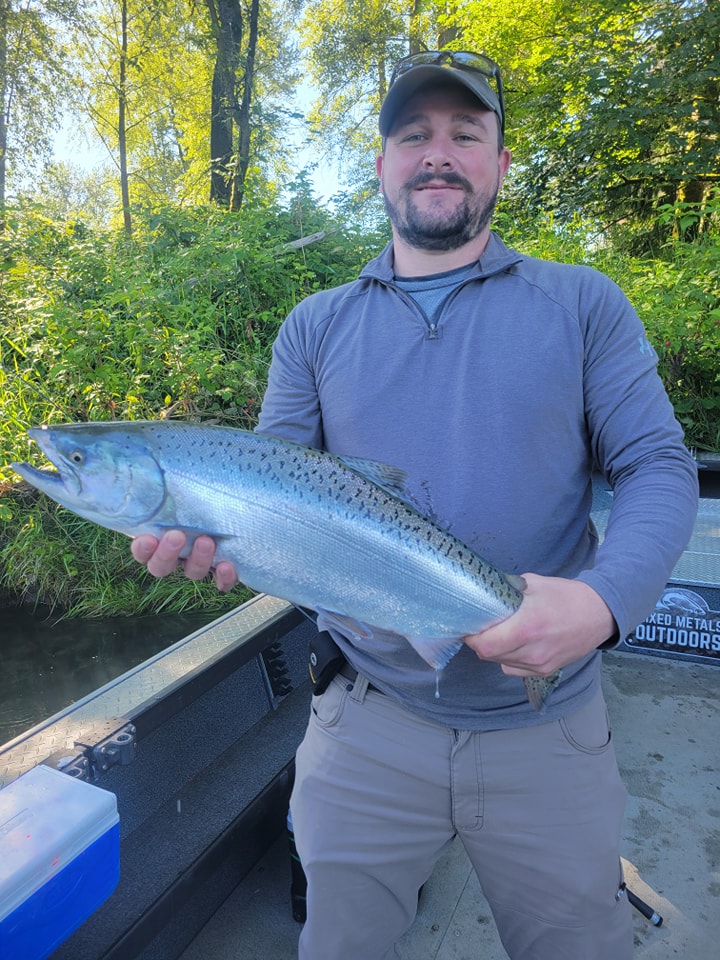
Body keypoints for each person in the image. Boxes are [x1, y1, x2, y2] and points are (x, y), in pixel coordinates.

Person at [131, 50, 699, 960]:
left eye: (465, 134)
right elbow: (273, 490)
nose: (438, 153)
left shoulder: (584, 304)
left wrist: (601, 606)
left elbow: (658, 467)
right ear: (382, 162)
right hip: (362, 725)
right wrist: (210, 541)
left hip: (547, 729)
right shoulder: (314, 326)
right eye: (413, 135)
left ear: (501, 163)